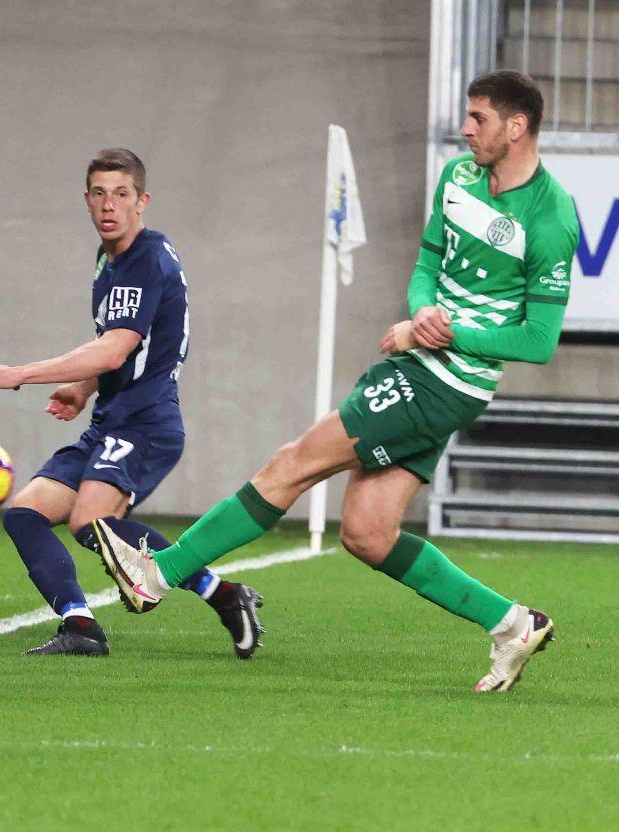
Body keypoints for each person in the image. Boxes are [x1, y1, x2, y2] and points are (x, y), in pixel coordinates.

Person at [93, 70, 574, 692]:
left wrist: (440, 332)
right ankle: (512, 623)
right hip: (421, 367)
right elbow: (428, 263)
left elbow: (538, 341)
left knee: (291, 464)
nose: (464, 128)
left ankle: (156, 576)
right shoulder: (458, 177)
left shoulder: (551, 215)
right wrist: (421, 311)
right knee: (368, 534)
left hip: (446, 382)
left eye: (478, 118)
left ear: (517, 127)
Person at [0, 149, 264, 658]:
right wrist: (83, 389)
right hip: (111, 422)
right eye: (99, 194)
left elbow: (114, 349)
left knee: (91, 522)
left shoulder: (146, 258)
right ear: (86, 200)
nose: (109, 205)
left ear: (142, 202)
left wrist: (19, 374)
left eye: (122, 194)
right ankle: (80, 625)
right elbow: (118, 347)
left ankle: (224, 593)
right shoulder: (109, 260)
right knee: (25, 514)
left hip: (146, 423)